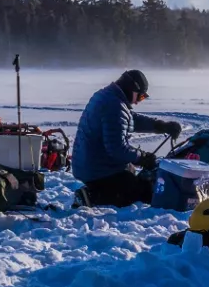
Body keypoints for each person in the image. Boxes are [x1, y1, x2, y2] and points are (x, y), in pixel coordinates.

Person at [72, 70, 182, 207]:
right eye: (140, 96)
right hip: (97, 169)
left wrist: (160, 126)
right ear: (132, 88)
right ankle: (92, 196)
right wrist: (141, 157)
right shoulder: (114, 105)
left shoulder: (109, 97)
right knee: (143, 192)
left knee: (131, 173)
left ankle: (98, 190)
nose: (138, 102)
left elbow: (129, 120)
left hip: (89, 163)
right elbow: (117, 148)